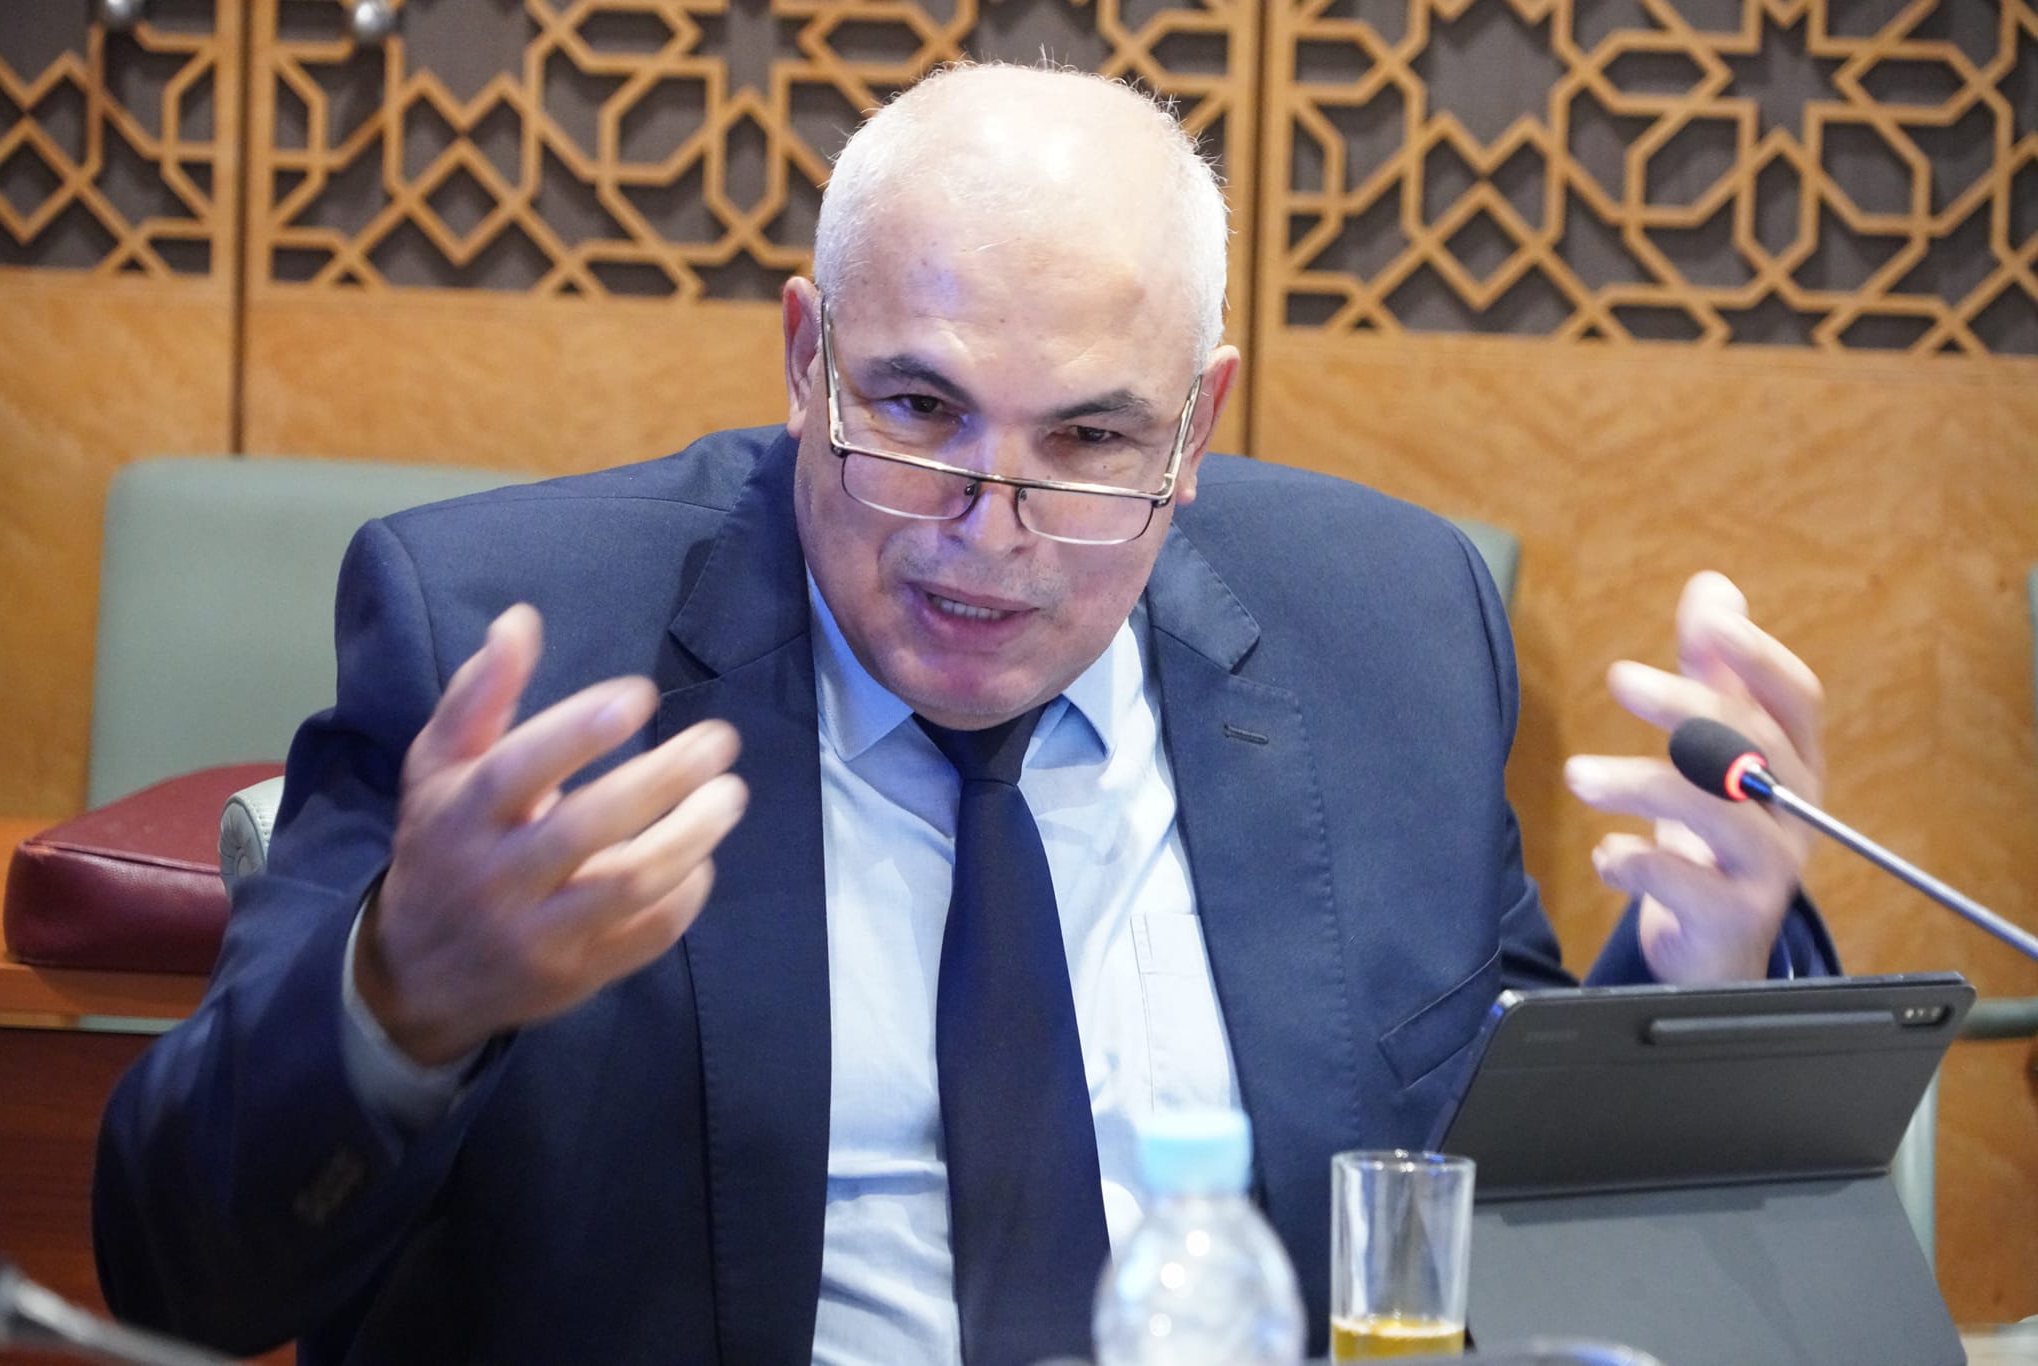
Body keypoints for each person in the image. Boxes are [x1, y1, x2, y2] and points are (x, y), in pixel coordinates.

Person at [93, 64, 1833, 1366]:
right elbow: (179, 1270)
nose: (986, 532)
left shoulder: (1387, 632)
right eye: (919, 410)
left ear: (1197, 426)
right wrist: (401, 1001)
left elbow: (1480, 1206)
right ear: (806, 360)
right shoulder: (514, 643)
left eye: (1087, 439)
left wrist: (1701, 992)